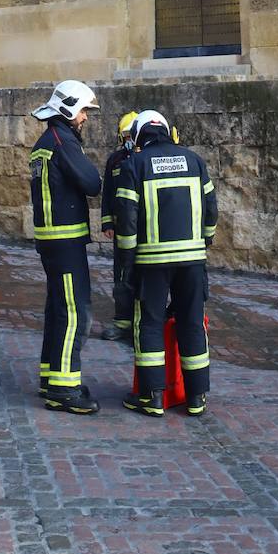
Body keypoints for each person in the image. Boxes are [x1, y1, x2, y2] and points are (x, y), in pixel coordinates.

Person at [116, 110, 218, 418]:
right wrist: (205, 240)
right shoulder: (194, 161)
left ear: (138, 136)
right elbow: (211, 209)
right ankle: (196, 397)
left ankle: (153, 398)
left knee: (149, 324)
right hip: (191, 260)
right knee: (192, 323)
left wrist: (127, 261)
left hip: (151, 263)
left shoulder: (133, 165)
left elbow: (127, 219)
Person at [29, 79, 102, 414]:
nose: (85, 117)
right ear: (70, 108)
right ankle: (64, 390)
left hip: (51, 241)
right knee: (75, 312)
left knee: (57, 310)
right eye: (84, 110)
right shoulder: (63, 141)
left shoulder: (46, 140)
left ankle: (52, 377)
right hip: (66, 241)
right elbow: (91, 183)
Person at [99, 110, 137, 342]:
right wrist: (106, 222)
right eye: (126, 136)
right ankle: (122, 322)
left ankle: (142, 323)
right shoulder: (115, 160)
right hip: (121, 229)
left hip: (144, 230)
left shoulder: (147, 160)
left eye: (133, 135)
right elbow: (108, 194)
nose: (130, 140)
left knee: (143, 275)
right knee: (121, 276)